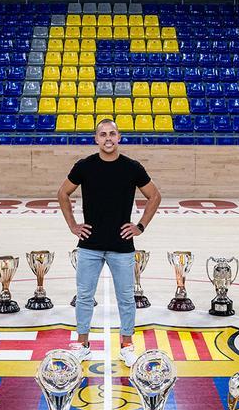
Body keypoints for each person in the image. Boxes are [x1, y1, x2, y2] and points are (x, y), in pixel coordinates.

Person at [57, 118, 162, 367]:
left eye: (112, 134)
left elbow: (154, 195)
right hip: (90, 245)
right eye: (102, 134)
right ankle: (82, 344)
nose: (107, 138)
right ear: (96, 138)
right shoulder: (84, 166)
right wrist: (73, 225)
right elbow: (63, 193)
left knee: (126, 298)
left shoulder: (132, 167)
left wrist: (140, 226)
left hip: (121, 246)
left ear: (119, 137)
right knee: (84, 296)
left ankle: (126, 345)